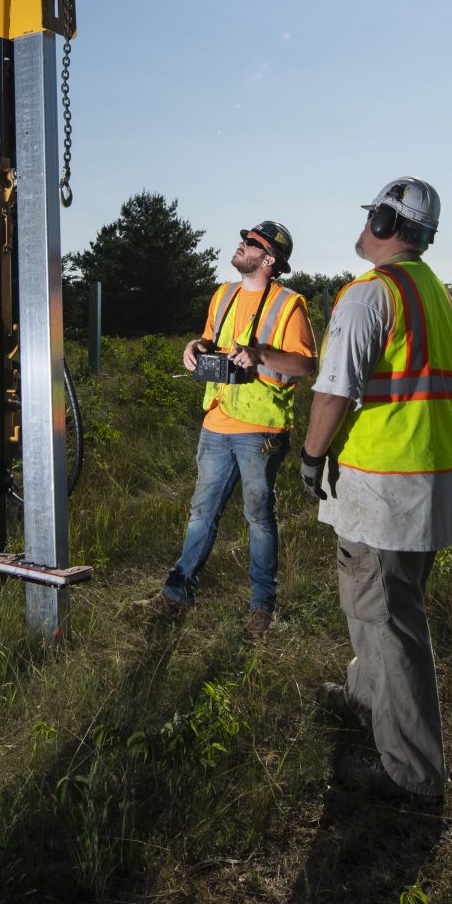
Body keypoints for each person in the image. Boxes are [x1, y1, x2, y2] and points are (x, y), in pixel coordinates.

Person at [300, 177, 452, 805]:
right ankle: (368, 700)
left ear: (389, 226)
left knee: (390, 623)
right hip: (431, 479)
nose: (366, 224)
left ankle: (413, 774)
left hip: (387, 487)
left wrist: (313, 456)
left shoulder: (369, 297)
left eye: (373, 215)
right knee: (382, 608)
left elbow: (334, 390)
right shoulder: (435, 293)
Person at [144, 220, 316, 633]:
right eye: (243, 239)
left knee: (258, 517)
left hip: (261, 429)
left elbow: (307, 365)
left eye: (251, 243)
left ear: (269, 260)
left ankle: (262, 608)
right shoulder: (223, 294)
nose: (241, 244)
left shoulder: (290, 305)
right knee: (201, 513)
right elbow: (209, 340)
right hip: (217, 421)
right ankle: (176, 595)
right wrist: (195, 346)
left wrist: (260, 355)